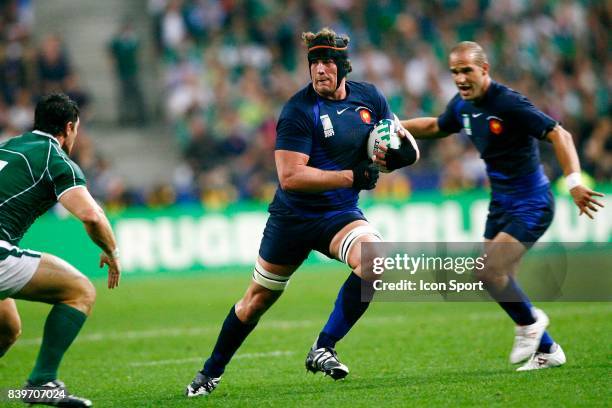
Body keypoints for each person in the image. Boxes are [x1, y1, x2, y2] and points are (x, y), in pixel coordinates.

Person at [185, 27, 419, 397]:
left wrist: (404, 153)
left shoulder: (370, 98)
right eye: (314, 62)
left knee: (376, 262)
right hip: (292, 219)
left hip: (339, 216)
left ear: (344, 67)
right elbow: (290, 177)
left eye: (327, 62)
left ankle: (323, 346)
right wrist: (351, 176)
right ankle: (209, 373)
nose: (320, 70)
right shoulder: (298, 110)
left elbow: (393, 134)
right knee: (255, 302)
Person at [377, 41, 604, 371]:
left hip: (532, 202)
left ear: (484, 70)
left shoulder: (508, 102)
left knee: (487, 271)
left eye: (467, 70)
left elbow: (560, 134)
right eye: (454, 71)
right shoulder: (463, 105)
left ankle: (529, 325)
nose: (460, 78)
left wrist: (574, 181)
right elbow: (438, 126)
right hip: (501, 204)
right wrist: (396, 127)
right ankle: (548, 349)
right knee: (501, 281)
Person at [0, 93, 121, 406]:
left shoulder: (9, 146)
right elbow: (91, 215)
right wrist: (112, 251)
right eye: (77, 129)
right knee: (80, 291)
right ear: (69, 127)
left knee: (7, 327)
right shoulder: (55, 159)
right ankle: (40, 383)